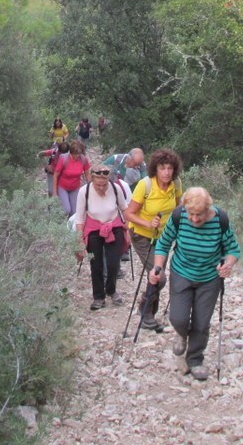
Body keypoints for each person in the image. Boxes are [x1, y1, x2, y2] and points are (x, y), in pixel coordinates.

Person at [147, 187, 241, 381]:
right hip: (182, 272)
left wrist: (228, 264)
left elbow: (233, 249)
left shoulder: (220, 220)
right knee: (178, 318)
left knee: (202, 321)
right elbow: (163, 244)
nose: (195, 219)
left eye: (200, 215)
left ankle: (195, 359)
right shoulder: (178, 217)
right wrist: (157, 268)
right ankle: (181, 335)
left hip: (209, 278)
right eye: (191, 214)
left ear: (209, 210)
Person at [123, 147, 183, 330]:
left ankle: (149, 314)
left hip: (163, 238)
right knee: (160, 276)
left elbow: (178, 207)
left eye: (170, 168)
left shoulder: (176, 184)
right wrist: (147, 224)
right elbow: (128, 214)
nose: (166, 172)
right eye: (162, 168)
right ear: (155, 169)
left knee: (156, 276)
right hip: (142, 236)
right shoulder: (145, 185)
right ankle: (145, 308)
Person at [74, 164, 130, 310]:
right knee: (95, 263)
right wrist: (80, 240)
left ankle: (111, 290)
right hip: (93, 229)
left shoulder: (115, 188)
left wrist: (129, 227)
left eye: (104, 184)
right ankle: (98, 297)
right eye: (98, 184)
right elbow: (79, 218)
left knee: (113, 264)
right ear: (92, 180)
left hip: (114, 226)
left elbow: (125, 209)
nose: (101, 187)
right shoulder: (83, 192)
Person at [52, 139, 90, 217]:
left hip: (75, 187)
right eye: (75, 154)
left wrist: (91, 188)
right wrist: (54, 192)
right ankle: (56, 218)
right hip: (63, 186)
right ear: (71, 152)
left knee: (75, 212)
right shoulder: (64, 159)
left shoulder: (83, 160)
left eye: (79, 154)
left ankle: (69, 227)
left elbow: (87, 175)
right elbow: (55, 175)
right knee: (66, 209)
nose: (77, 156)